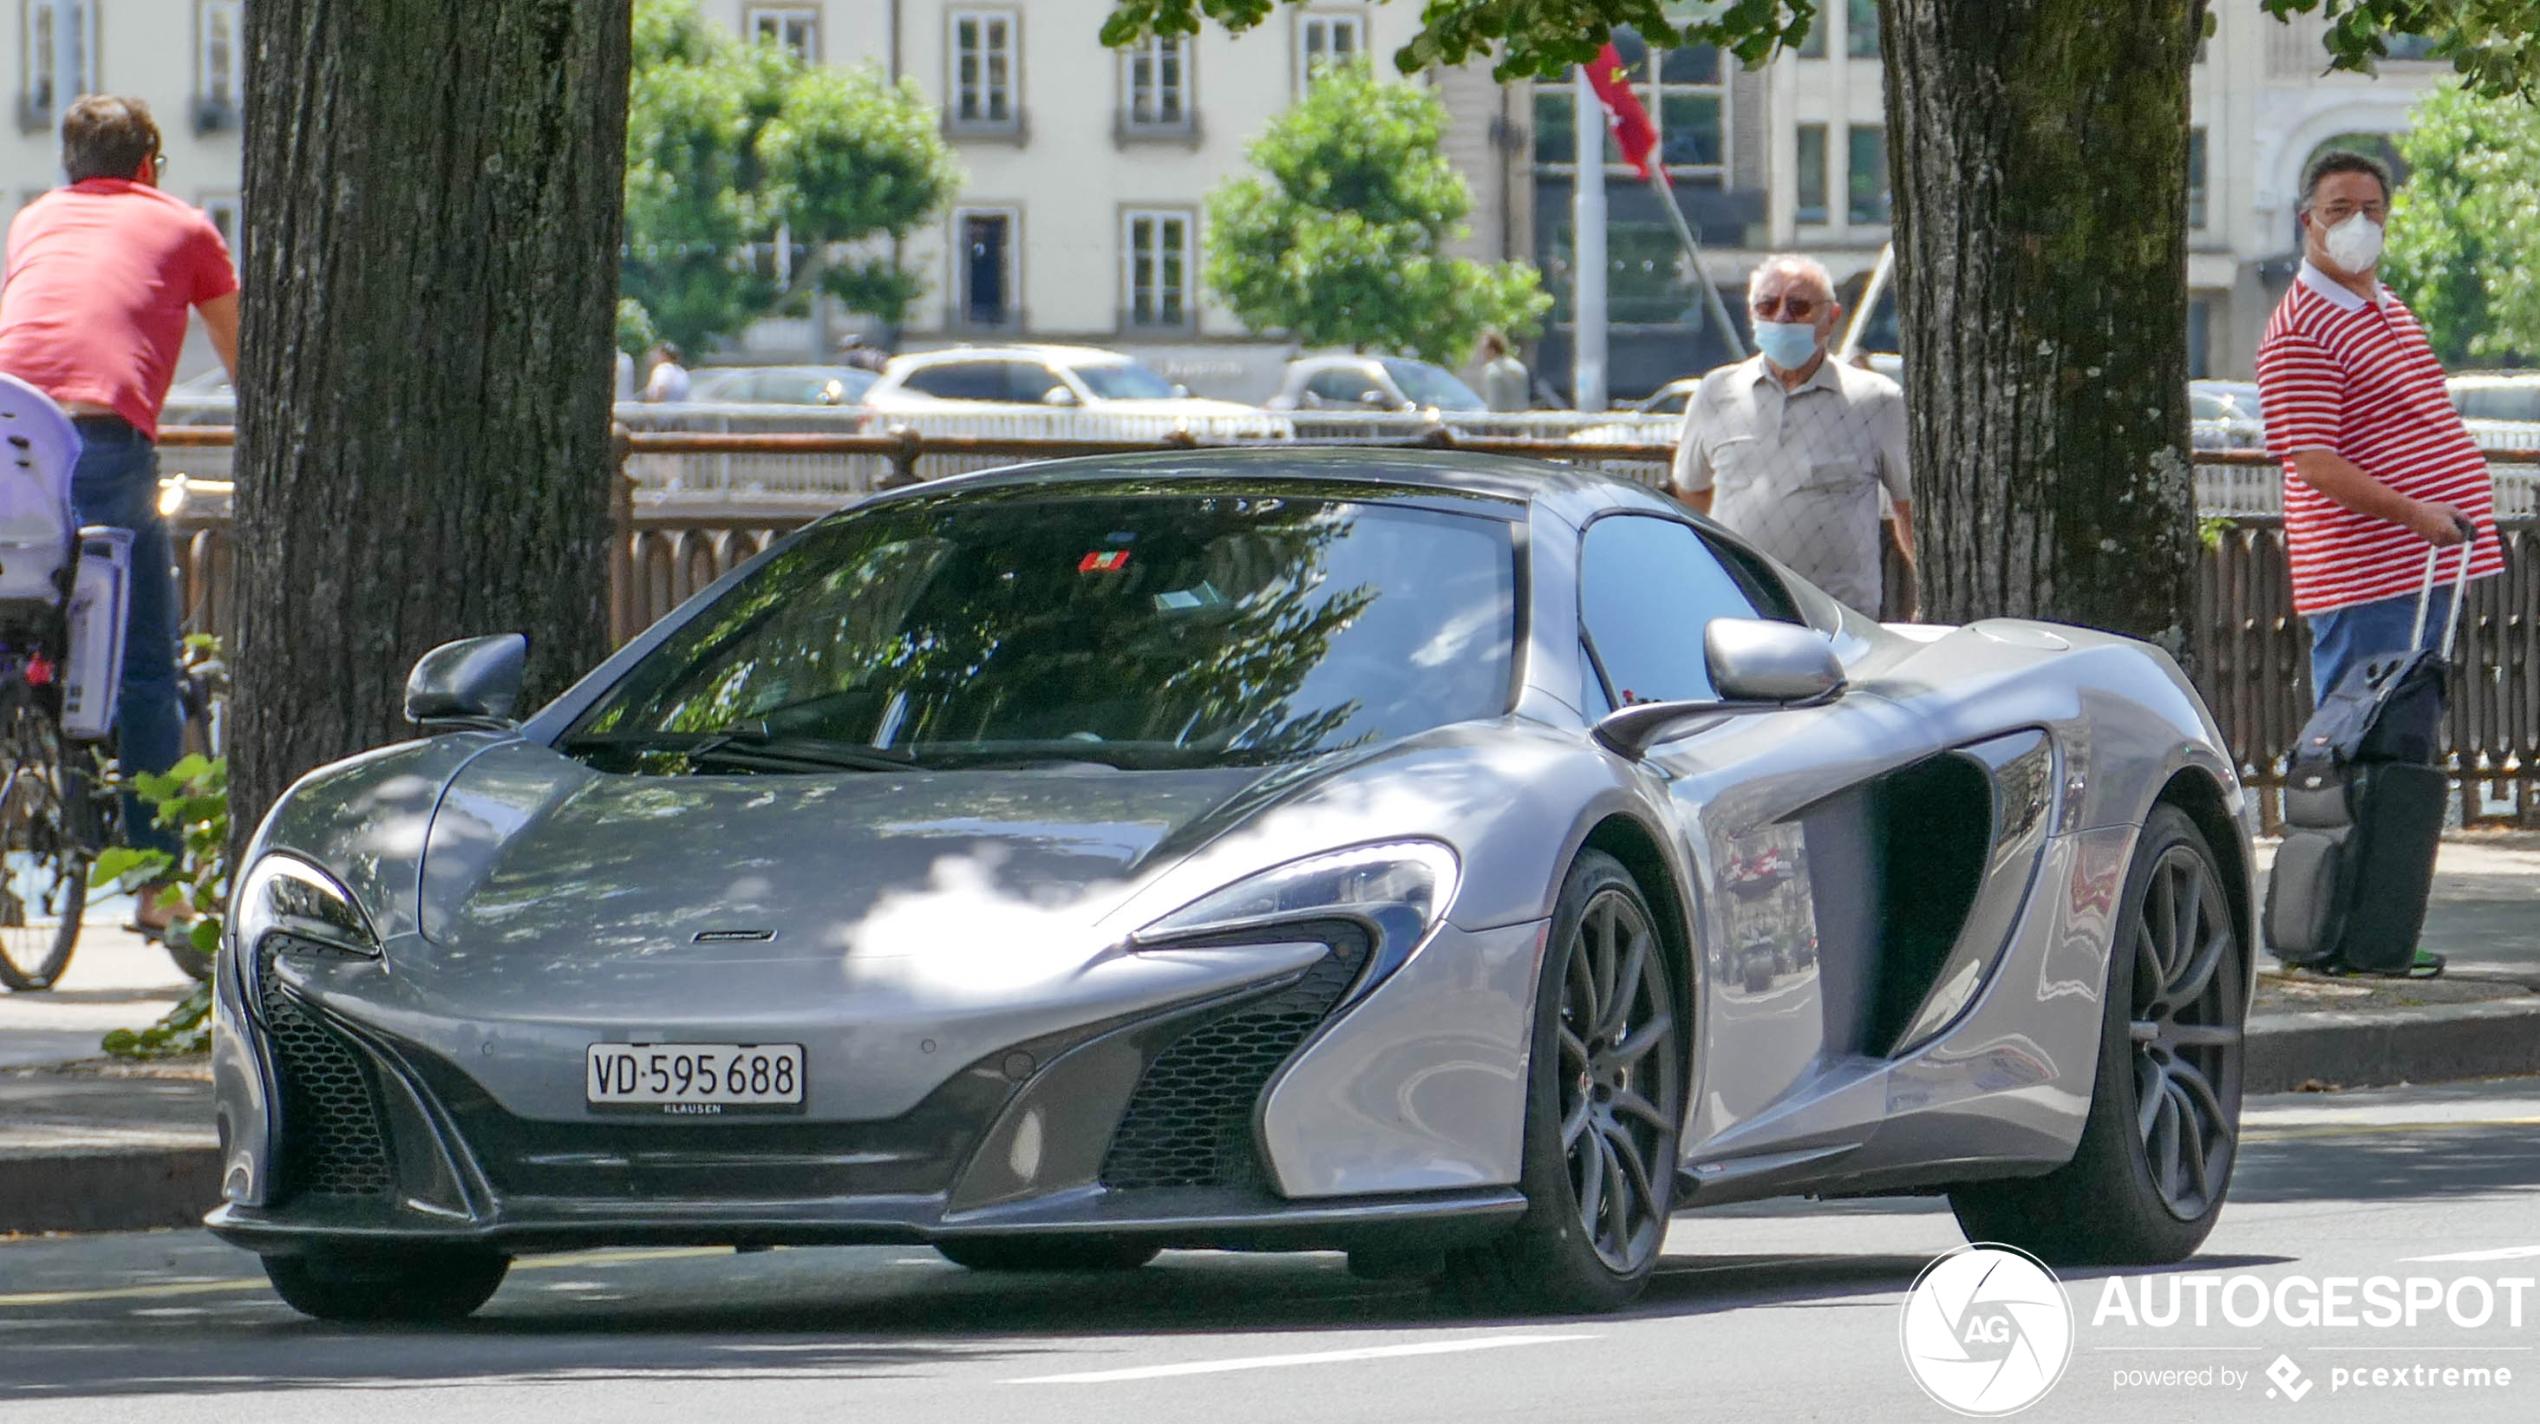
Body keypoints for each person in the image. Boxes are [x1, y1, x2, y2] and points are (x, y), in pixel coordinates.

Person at [0, 96, 238, 936]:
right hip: (104, 443)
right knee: (142, 665)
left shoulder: (31, 221)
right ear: (148, 164)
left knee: (14, 626)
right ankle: (158, 881)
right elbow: (246, 364)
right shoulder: (186, 228)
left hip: (8, 438)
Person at [2254, 149, 2500, 704]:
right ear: (2307, 220)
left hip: (2422, 563)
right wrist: (2416, 514)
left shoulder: (2386, 306)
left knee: (2403, 738)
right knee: (2362, 736)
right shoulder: (2301, 330)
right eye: (2339, 209)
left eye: (2370, 208)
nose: (2356, 223)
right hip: (2369, 577)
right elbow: (2314, 463)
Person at [1671, 254, 1914, 619]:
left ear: (1831, 318)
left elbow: (1908, 508)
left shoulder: (1878, 401)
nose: (1782, 316)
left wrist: (1926, 595)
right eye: (1767, 305)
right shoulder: (1715, 393)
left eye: (1798, 307)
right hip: (1736, 612)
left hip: (1840, 622)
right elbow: (1691, 494)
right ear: (1752, 315)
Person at [1478, 331, 1529, 413]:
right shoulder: (1519, 367)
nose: (1482, 353)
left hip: (1500, 422)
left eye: (1484, 349)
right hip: (1521, 421)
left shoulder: (1492, 371)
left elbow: (1494, 406)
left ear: (1492, 350)